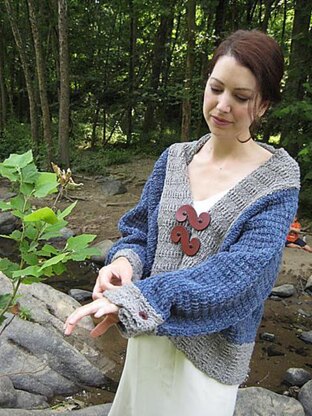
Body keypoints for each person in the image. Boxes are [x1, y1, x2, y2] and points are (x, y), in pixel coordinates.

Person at [64, 29, 300, 416]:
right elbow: (140, 232)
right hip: (149, 336)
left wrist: (138, 301)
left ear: (264, 106)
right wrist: (124, 264)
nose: (222, 106)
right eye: (216, 88)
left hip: (206, 360)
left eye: (241, 97)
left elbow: (238, 277)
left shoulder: (277, 180)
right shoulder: (174, 160)